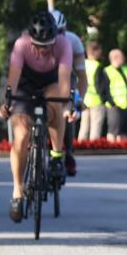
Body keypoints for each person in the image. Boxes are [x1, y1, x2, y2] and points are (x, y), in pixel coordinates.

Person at [0, 12, 73, 222]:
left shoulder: (64, 45)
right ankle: (17, 191)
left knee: (57, 100)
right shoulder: (21, 45)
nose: (42, 50)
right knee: (20, 137)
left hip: (50, 83)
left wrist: (66, 106)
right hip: (25, 85)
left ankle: (57, 156)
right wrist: (6, 104)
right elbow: (12, 80)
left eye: (48, 45)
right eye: (38, 46)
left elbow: (64, 79)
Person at [51, 10, 87, 175]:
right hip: (45, 78)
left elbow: (81, 76)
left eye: (61, 32)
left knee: (68, 112)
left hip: (66, 76)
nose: (58, 37)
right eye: (54, 32)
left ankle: (69, 154)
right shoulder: (35, 41)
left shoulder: (73, 41)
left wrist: (79, 98)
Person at [97, 49, 127, 142]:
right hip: (115, 106)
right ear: (115, 58)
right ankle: (111, 151)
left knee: (124, 131)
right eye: (122, 57)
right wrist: (111, 102)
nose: (124, 59)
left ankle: (123, 152)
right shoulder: (107, 71)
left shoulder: (126, 69)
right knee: (113, 130)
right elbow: (103, 90)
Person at [78, 41, 106, 141]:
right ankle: (93, 147)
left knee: (84, 126)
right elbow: (100, 85)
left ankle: (80, 146)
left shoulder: (82, 64)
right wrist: (104, 98)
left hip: (84, 99)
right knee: (96, 126)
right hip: (96, 100)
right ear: (96, 52)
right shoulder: (97, 66)